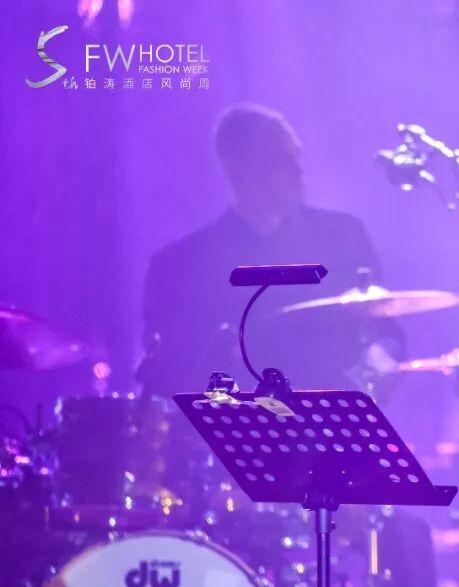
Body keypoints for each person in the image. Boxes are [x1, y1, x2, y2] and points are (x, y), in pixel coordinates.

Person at [139, 102, 402, 397]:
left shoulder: (343, 236)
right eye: (282, 160)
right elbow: (168, 373)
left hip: (330, 419)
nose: (299, 170)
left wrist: (381, 354)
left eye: (296, 156)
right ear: (237, 174)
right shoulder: (181, 266)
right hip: (231, 421)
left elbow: (385, 328)